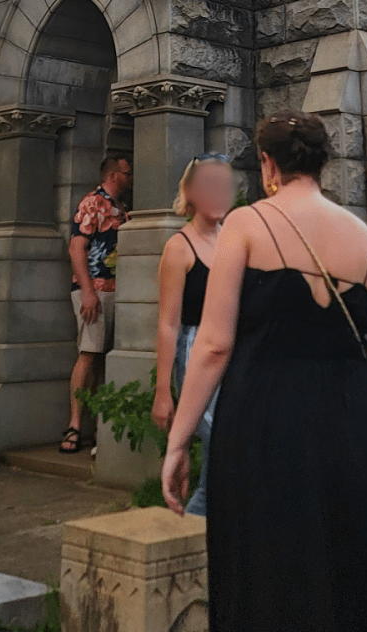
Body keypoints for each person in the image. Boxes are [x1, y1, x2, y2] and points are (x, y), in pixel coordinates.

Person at [161, 112, 367, 632]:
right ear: (323, 163)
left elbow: (212, 345)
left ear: (267, 163)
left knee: (268, 567)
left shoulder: (246, 224)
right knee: (353, 563)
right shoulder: (365, 238)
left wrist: (178, 442)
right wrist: (331, 357)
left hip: (264, 415)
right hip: (352, 420)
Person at [152, 151, 236, 516]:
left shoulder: (235, 240)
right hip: (198, 351)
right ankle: (194, 525)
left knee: (233, 446)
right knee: (224, 444)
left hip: (235, 348)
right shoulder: (178, 248)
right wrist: (163, 393)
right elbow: (168, 324)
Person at [60, 151, 133, 454]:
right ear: (114, 175)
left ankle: (101, 429)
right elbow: (77, 247)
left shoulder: (121, 208)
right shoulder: (93, 203)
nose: (131, 178)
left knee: (104, 359)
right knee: (88, 354)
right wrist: (88, 292)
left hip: (117, 290)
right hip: (95, 291)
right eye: (127, 173)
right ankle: (75, 425)